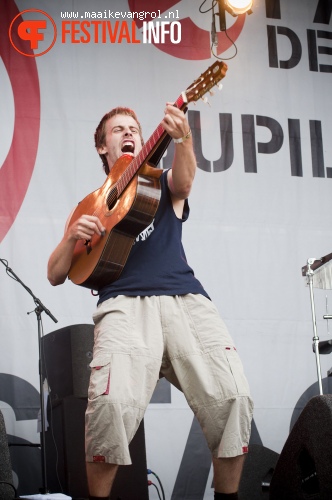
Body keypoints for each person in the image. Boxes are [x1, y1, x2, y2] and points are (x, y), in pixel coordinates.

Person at [47, 104, 253, 500]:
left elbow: (186, 183)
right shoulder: (90, 206)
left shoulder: (160, 182)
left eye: (133, 129)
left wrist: (183, 138)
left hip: (184, 299)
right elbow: (56, 274)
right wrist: (72, 236)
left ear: (142, 142)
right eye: (117, 129)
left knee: (234, 397)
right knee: (109, 408)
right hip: (123, 306)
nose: (127, 132)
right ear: (103, 147)